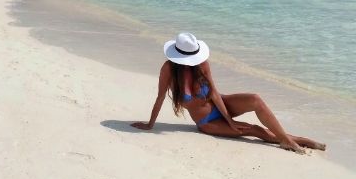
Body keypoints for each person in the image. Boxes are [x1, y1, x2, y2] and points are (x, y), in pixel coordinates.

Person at [132, 32, 326, 154]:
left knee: (255, 99)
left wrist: (230, 119)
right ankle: (296, 141)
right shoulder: (168, 70)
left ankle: (288, 140)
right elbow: (159, 97)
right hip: (207, 122)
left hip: (220, 104)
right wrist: (150, 125)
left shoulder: (202, 64)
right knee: (253, 130)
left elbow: (214, 92)